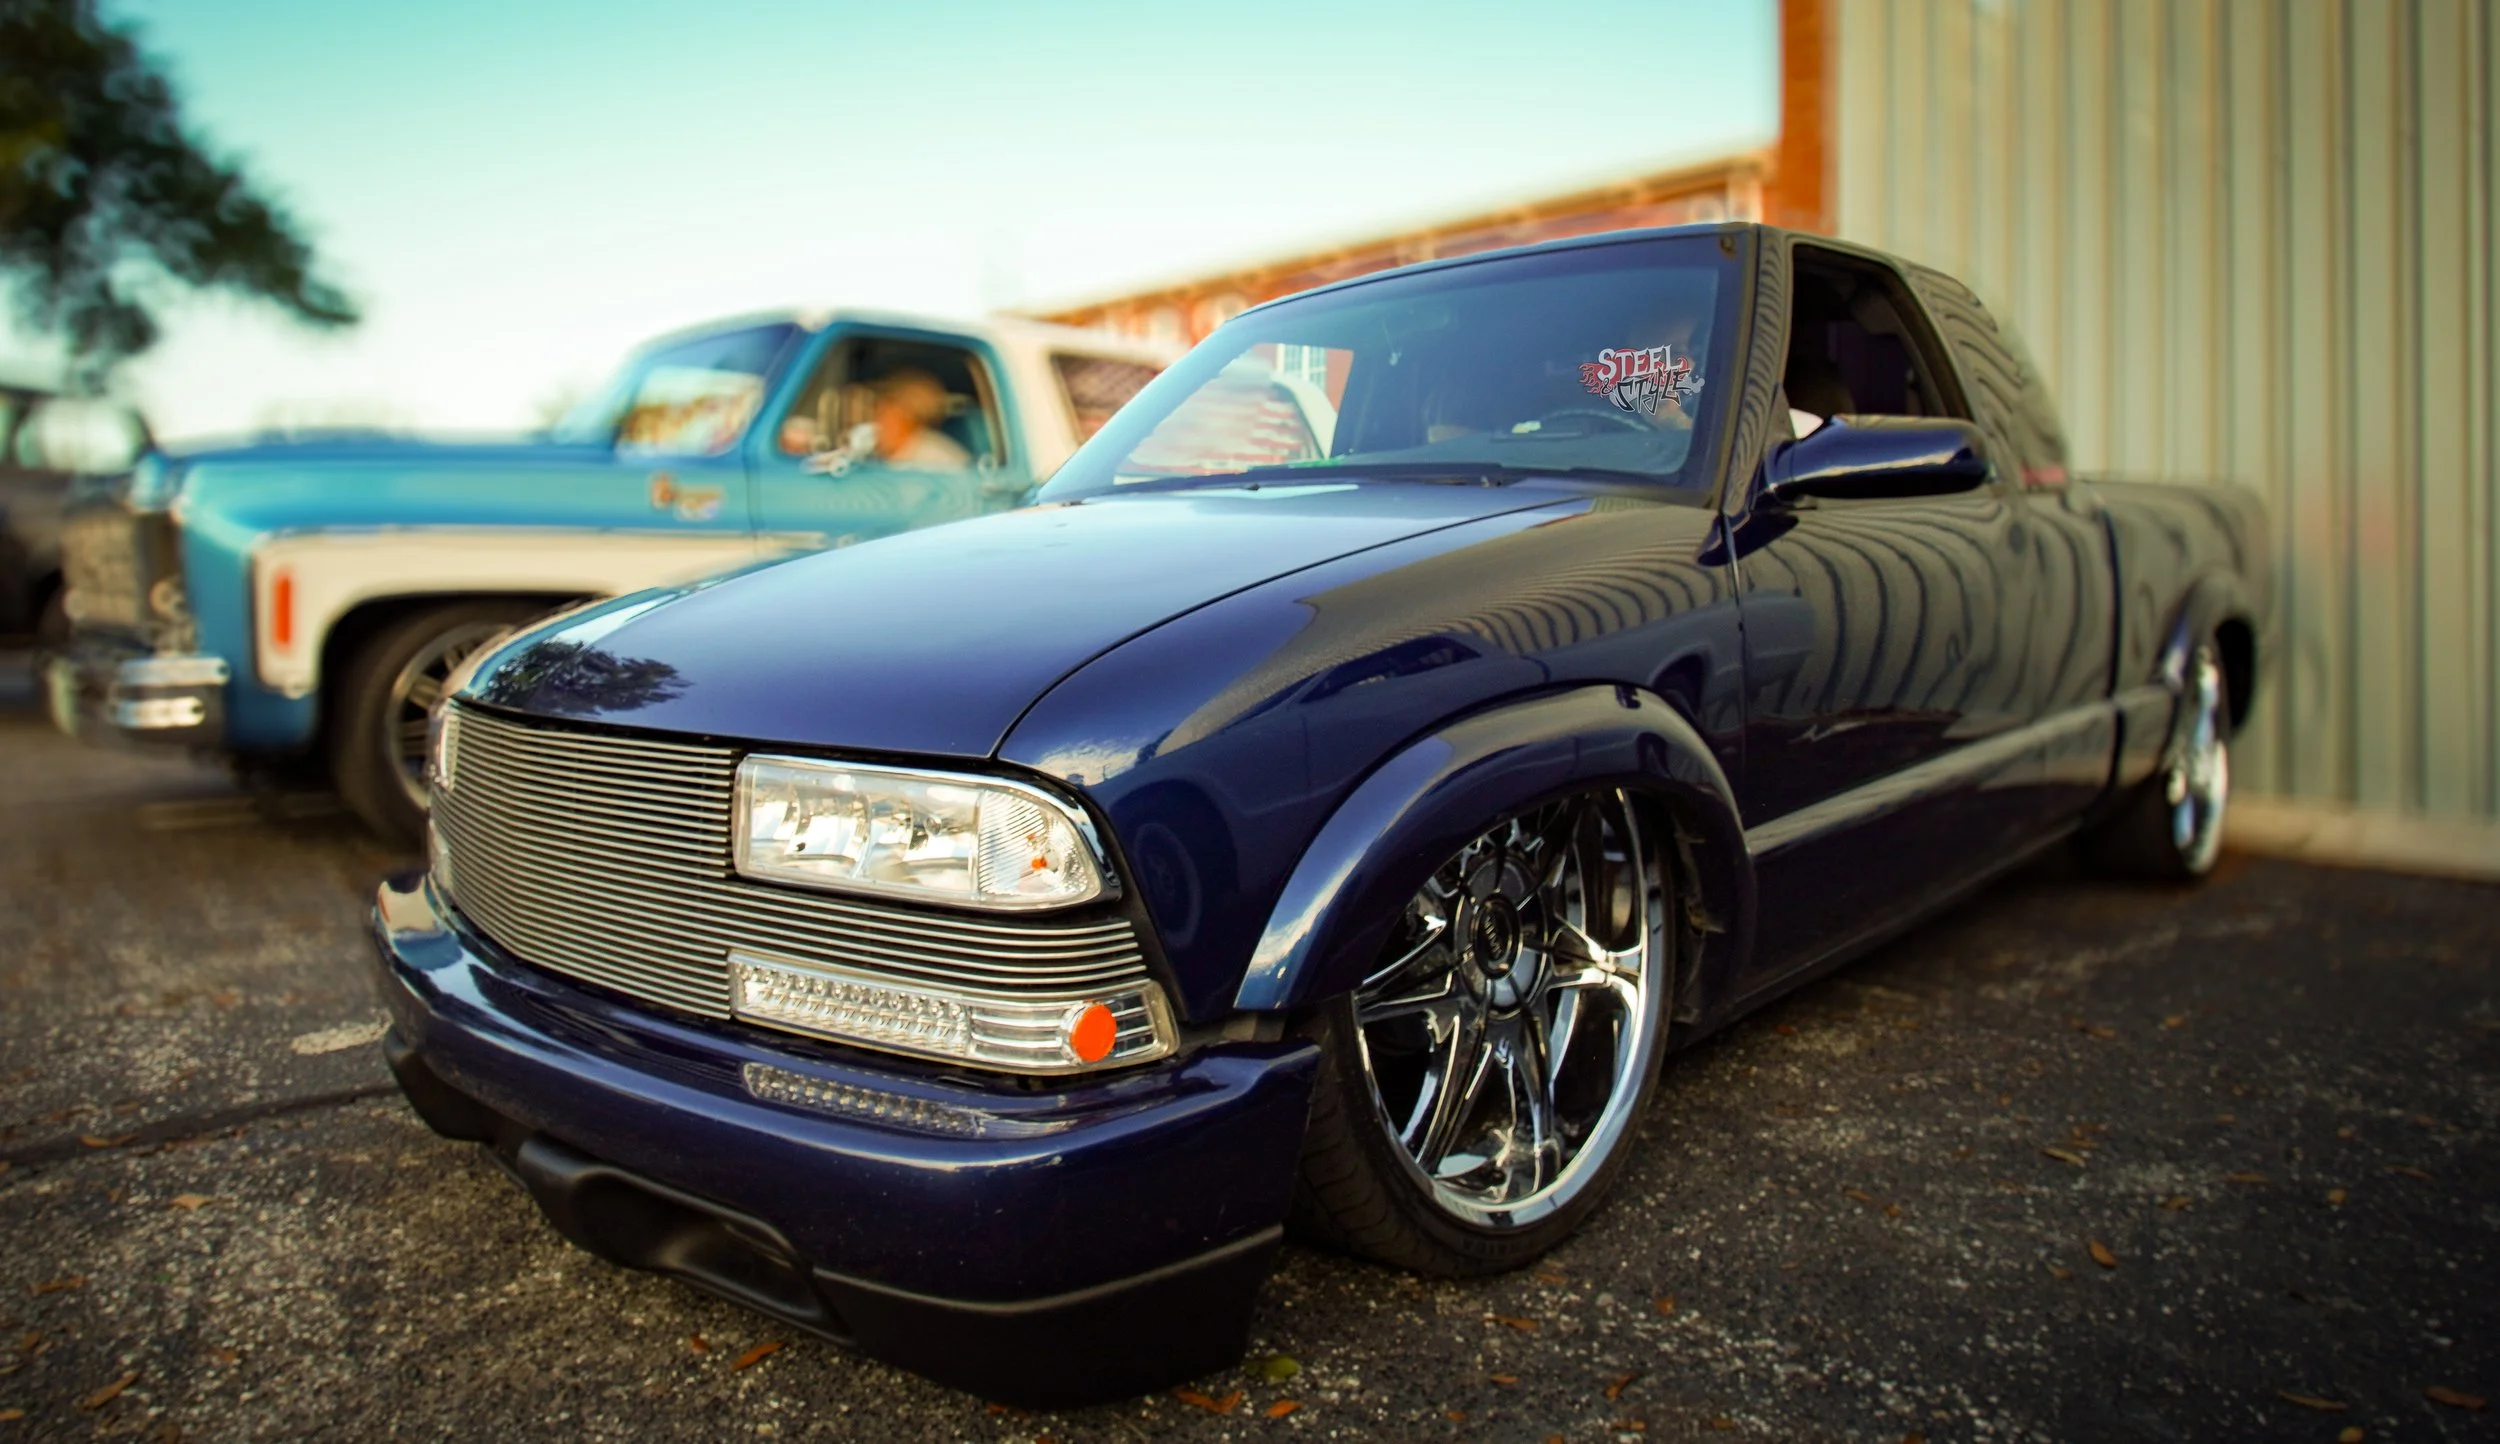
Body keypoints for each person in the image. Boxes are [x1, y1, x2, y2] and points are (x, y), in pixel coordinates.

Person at [866, 369, 971, 471]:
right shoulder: (880, 456)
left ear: (908, 416)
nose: (877, 420)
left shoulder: (937, 459)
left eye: (884, 411)